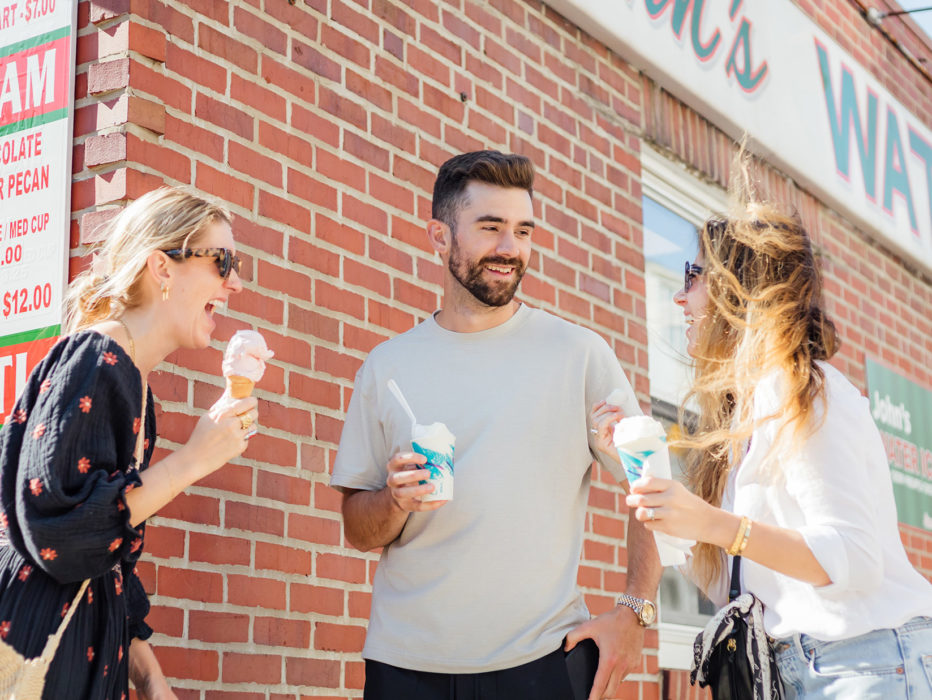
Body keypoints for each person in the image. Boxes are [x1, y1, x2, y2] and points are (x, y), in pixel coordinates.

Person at [331, 150, 662, 700]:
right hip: (404, 667)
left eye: (523, 231)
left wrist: (635, 613)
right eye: (491, 228)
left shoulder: (578, 354)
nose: (511, 249)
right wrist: (393, 502)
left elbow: (650, 482)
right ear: (439, 237)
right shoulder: (386, 369)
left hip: (540, 663)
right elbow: (356, 529)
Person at [592, 201, 932, 698]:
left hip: (863, 666)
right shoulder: (746, 419)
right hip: (811, 672)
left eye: (693, 277)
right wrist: (641, 470)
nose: (679, 298)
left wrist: (713, 523)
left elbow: (854, 558)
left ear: (735, 290)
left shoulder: (803, 390)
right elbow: (721, 582)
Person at [0, 188, 260, 699]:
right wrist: (192, 460)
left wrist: (149, 674)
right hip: (38, 650)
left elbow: (109, 557)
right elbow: (63, 534)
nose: (236, 282)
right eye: (222, 261)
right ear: (161, 268)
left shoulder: (133, 385)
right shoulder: (97, 359)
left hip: (82, 651)